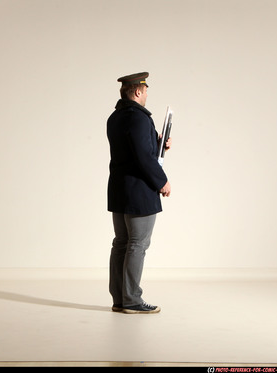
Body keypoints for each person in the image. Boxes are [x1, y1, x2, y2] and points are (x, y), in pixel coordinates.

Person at [106, 72, 172, 314]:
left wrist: (158, 144)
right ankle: (132, 300)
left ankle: (120, 299)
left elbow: (133, 151)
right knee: (137, 245)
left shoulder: (115, 118)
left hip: (119, 189)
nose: (146, 96)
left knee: (121, 244)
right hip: (139, 190)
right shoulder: (140, 118)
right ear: (137, 92)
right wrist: (161, 181)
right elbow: (143, 157)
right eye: (145, 92)